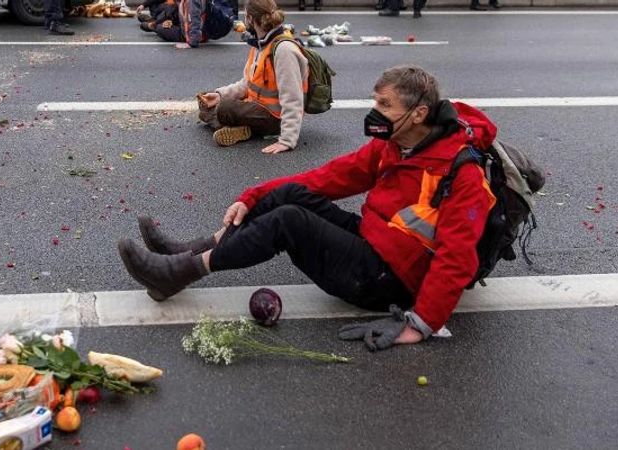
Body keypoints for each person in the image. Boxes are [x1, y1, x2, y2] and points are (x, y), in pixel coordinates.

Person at [117, 65, 499, 351]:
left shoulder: (462, 173)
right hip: (372, 243)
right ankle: (192, 249)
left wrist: (421, 324)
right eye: (375, 101)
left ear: (418, 113)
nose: (375, 112)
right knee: (288, 196)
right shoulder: (397, 143)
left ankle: (179, 272)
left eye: (385, 105)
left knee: (289, 221)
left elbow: (457, 256)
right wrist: (254, 194)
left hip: (388, 279)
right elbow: (329, 177)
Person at [196, 0, 307, 154]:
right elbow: (246, 84)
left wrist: (287, 140)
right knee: (205, 106)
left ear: (251, 19)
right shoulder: (260, 44)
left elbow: (293, 98)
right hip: (255, 106)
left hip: (275, 117)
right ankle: (244, 129)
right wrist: (219, 94)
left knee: (224, 108)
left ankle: (247, 128)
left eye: (245, 15)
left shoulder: (284, 50)